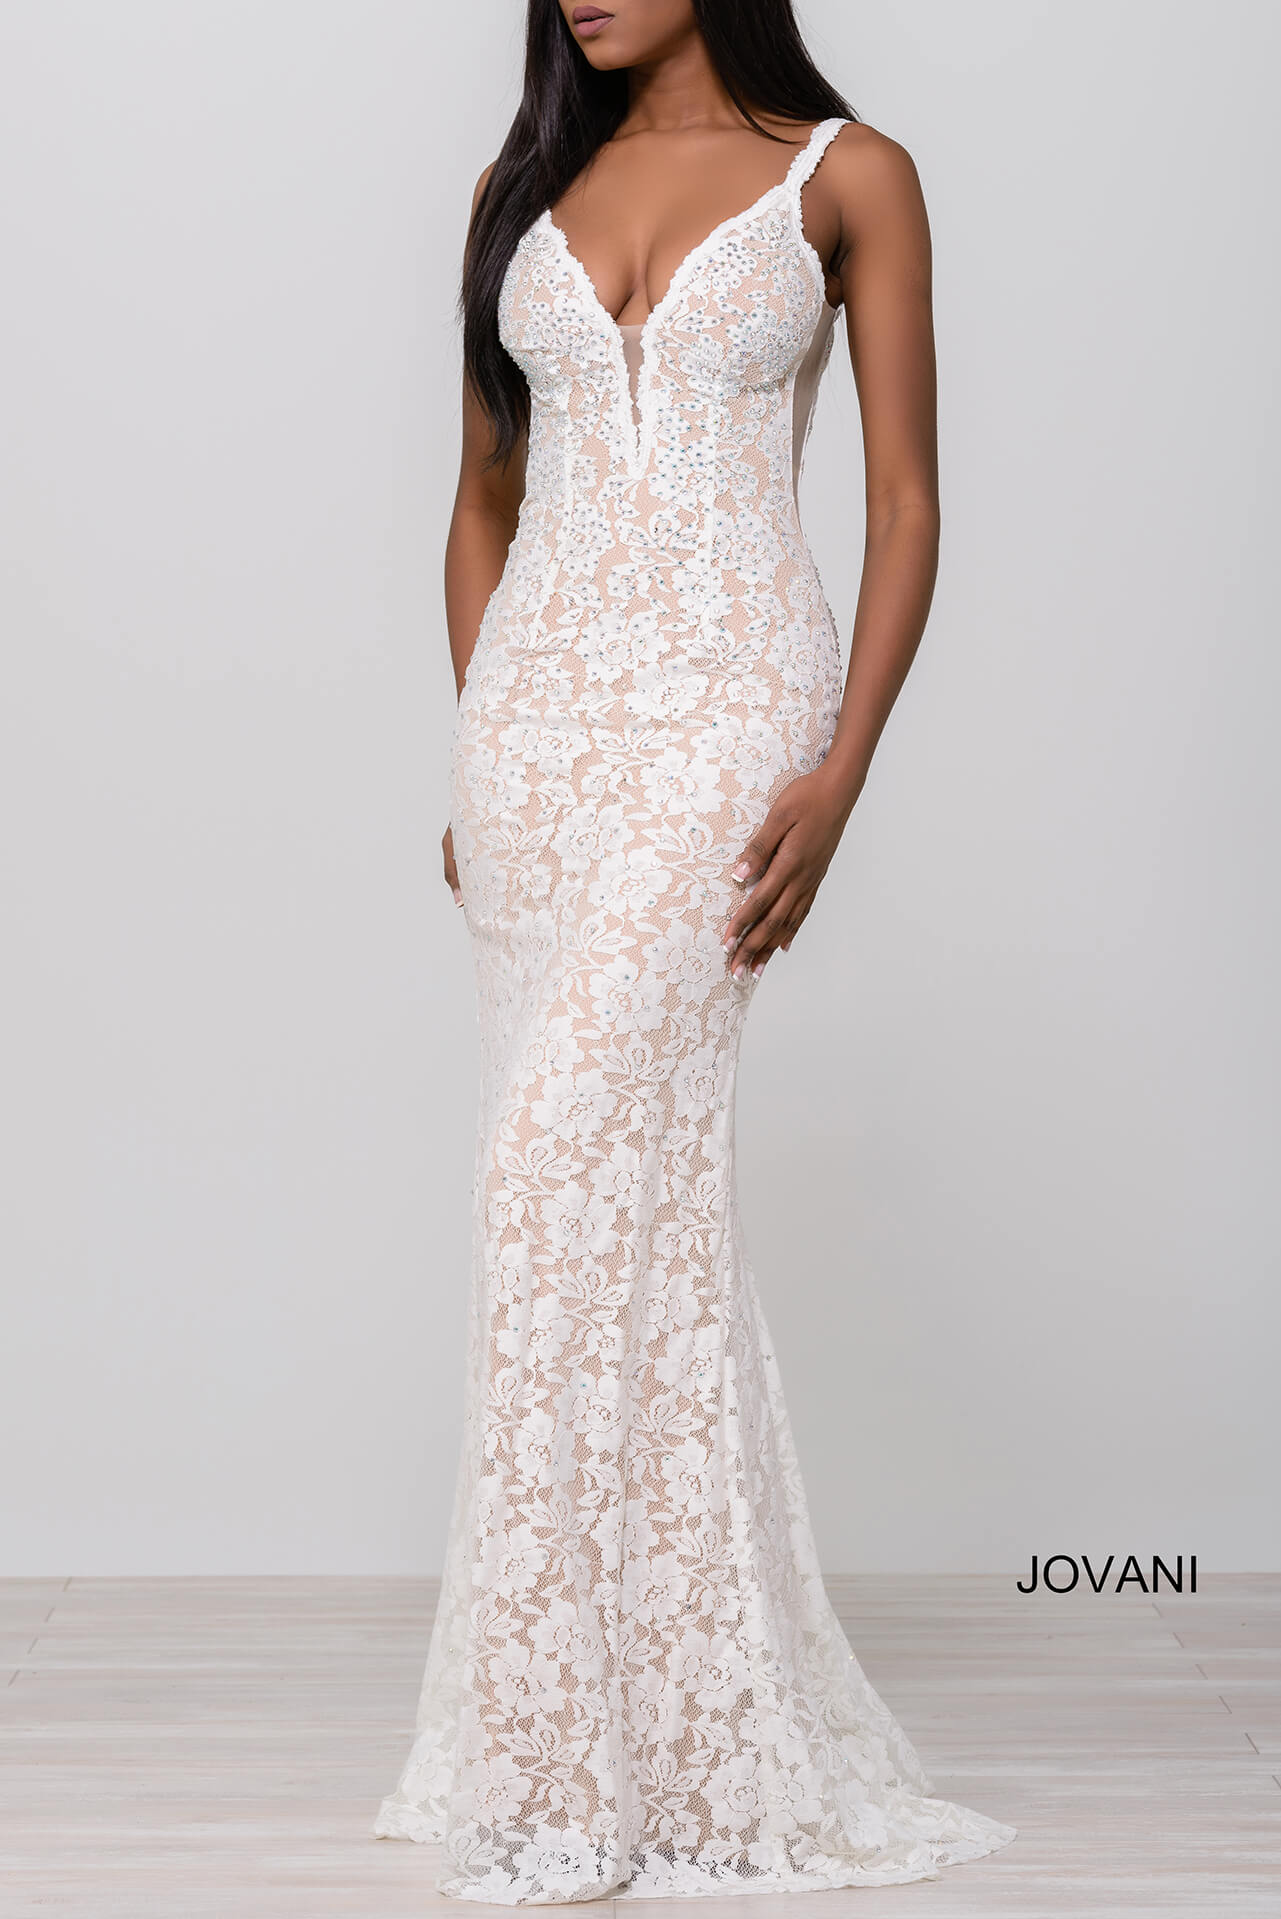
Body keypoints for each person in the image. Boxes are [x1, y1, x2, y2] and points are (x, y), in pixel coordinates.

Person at [376, 0, 1017, 1900]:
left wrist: (840, 772)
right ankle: (622, 1731)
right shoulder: (516, 191)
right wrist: (483, 747)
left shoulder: (849, 179)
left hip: (732, 706)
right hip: (536, 737)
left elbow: (904, 503)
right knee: (609, 1216)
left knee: (553, 1167)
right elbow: (480, 504)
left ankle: (585, 1771)